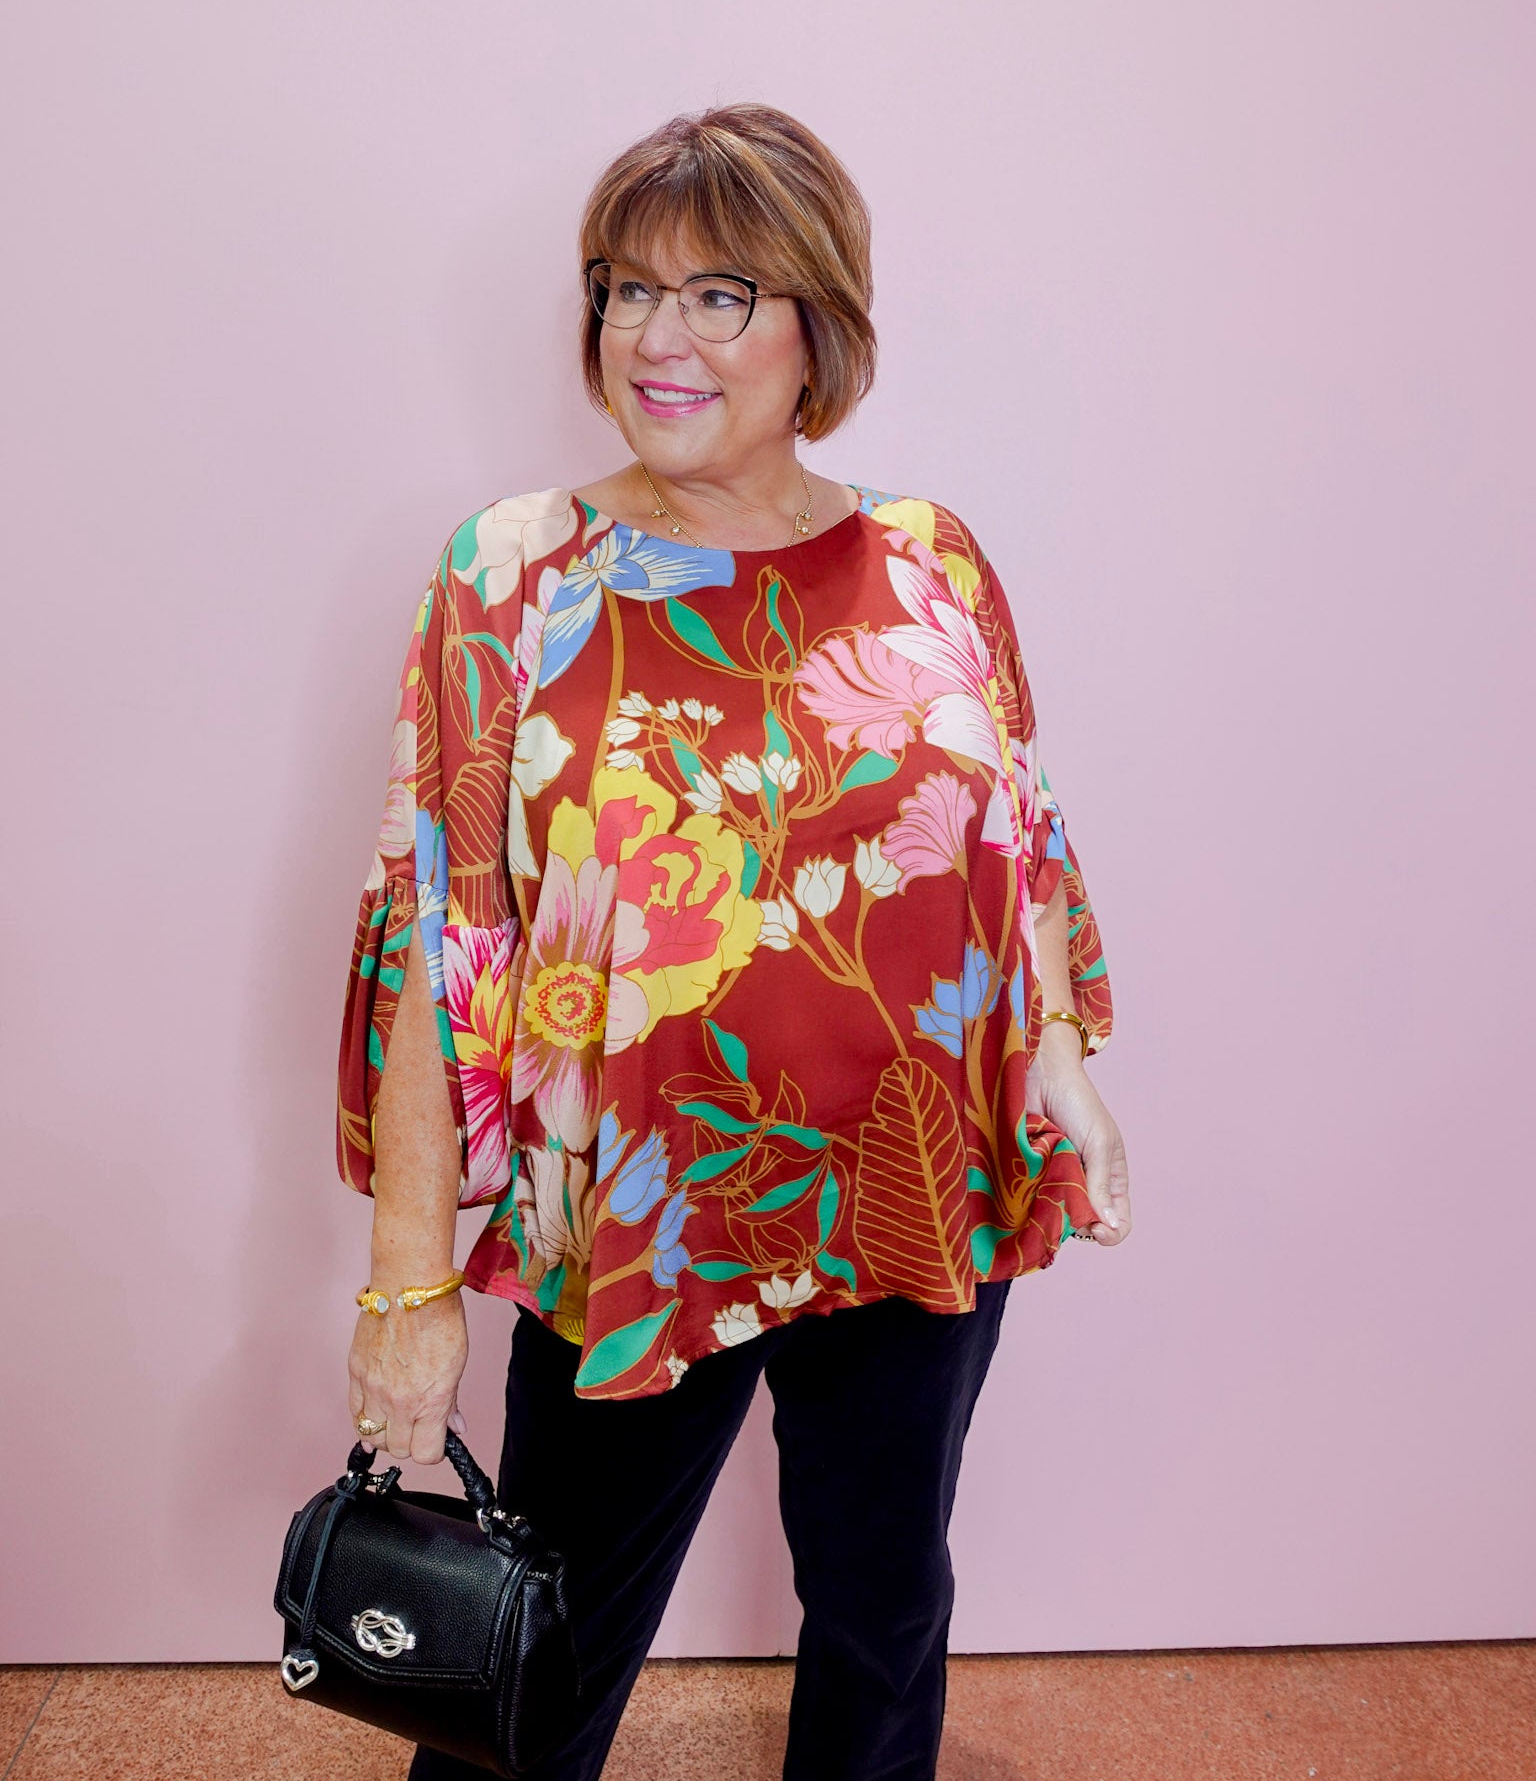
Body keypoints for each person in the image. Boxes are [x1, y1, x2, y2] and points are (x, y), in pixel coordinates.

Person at [338, 102, 1133, 1781]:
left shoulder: (932, 562)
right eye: (626, 289)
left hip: (914, 1188)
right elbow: (438, 945)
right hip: (638, 1216)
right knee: (534, 1668)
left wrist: (1061, 1063)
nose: (654, 336)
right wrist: (411, 1284)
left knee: (883, 1614)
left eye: (718, 295)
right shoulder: (516, 575)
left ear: (814, 326)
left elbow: (1017, 851)